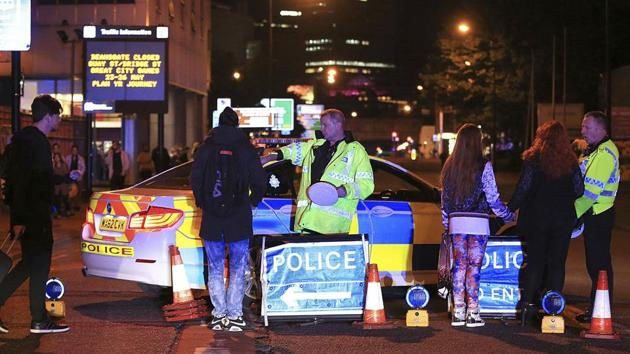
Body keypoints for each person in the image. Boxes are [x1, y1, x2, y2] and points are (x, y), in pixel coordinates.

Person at [191, 107, 266, 332]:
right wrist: (251, 202)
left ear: (218, 124)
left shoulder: (205, 149)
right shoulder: (246, 149)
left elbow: (195, 179)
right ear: (236, 124)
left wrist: (203, 202)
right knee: (237, 266)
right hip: (239, 217)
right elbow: (259, 181)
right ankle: (234, 315)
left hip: (212, 218)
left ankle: (218, 315)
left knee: (214, 267)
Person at [0, 94, 70, 334]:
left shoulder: (22, 141)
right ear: (49, 116)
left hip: (26, 214)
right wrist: (21, 218)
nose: (59, 120)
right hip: (34, 215)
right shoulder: (37, 143)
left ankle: (37, 317)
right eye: (58, 115)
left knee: (29, 265)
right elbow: (30, 181)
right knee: (39, 265)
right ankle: (39, 320)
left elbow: (16, 180)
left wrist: (17, 217)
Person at [508, 121, 584, 326]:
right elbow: (580, 190)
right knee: (557, 265)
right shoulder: (570, 161)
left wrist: (508, 209)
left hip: (536, 220)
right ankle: (552, 309)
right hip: (562, 220)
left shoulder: (533, 160)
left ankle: (525, 308)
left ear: (541, 137)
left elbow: (522, 190)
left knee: (535, 263)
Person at [440, 123, 514, 328]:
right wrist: (508, 215)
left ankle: (458, 311)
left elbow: (445, 201)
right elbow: (493, 198)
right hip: (479, 223)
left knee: (459, 266)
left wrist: (447, 224)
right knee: (474, 267)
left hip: (456, 223)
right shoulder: (484, 166)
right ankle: (473, 312)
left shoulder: (449, 166)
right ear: (477, 142)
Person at [260, 108, 374, 234]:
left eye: (325, 125)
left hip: (331, 227)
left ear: (338, 124)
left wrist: (343, 190)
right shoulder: (316, 146)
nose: (322, 128)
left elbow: (366, 185)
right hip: (307, 222)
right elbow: (292, 151)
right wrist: (270, 157)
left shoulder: (355, 151)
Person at [574, 111, 620, 323]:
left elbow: (590, 194)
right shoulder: (596, 150)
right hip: (597, 214)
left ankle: (600, 310)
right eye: (582, 126)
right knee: (597, 264)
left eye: (587, 127)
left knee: (598, 264)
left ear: (602, 129)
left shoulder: (603, 155)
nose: (582, 131)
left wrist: (570, 215)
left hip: (598, 215)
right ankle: (599, 308)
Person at [64, 144, 85, 209]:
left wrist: (79, 173)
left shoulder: (81, 158)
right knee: (70, 191)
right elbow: (65, 167)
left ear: (77, 151)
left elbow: (83, 168)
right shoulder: (67, 158)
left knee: (78, 191)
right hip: (70, 177)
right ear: (71, 151)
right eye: (73, 150)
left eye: (75, 150)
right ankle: (71, 205)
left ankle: (77, 205)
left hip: (78, 177)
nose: (74, 151)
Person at [52, 152, 72, 218]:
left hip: (64, 184)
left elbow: (67, 175)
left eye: (58, 157)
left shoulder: (64, 165)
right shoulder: (53, 166)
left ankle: (68, 211)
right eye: (55, 157)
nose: (57, 158)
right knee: (57, 200)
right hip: (57, 185)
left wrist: (68, 184)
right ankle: (58, 213)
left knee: (65, 198)